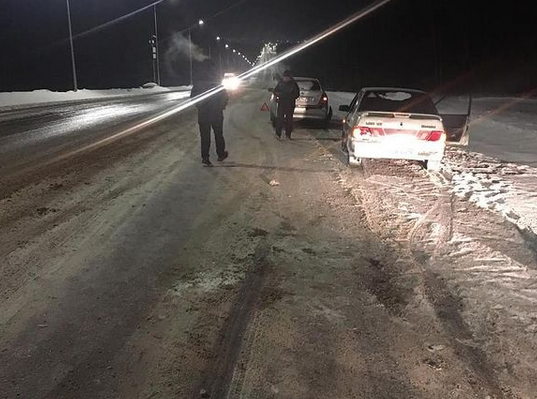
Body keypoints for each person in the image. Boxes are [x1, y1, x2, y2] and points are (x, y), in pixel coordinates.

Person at [191, 60, 229, 167]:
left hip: (203, 114)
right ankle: (220, 154)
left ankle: (205, 158)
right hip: (216, 113)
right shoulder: (217, 81)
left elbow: (193, 98)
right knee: (218, 134)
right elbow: (225, 96)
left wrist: (200, 106)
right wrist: (221, 107)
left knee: (205, 136)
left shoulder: (198, 82)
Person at [273, 70, 300, 139]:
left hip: (290, 104)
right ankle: (278, 134)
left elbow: (297, 94)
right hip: (281, 104)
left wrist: (290, 96)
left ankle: (288, 134)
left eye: (287, 77)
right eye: (284, 77)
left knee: (289, 120)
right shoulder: (280, 83)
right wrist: (278, 94)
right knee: (279, 119)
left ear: (290, 77)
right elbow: (275, 91)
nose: (285, 78)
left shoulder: (293, 84)